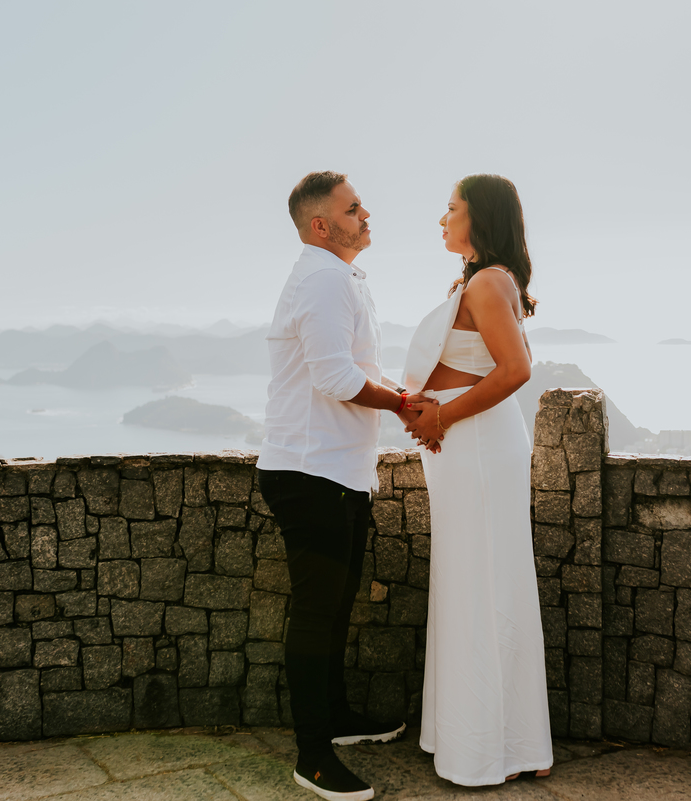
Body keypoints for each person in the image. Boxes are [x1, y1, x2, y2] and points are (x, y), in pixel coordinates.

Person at [257, 171, 421, 801]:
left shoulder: (339, 276)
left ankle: (338, 720)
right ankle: (313, 756)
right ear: (321, 224)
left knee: (336, 608)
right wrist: (407, 403)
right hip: (309, 471)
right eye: (354, 209)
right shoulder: (322, 278)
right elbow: (334, 377)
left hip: (336, 470)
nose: (366, 213)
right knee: (317, 613)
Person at [402, 174, 554, 786]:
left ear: (479, 217)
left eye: (451, 208)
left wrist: (440, 414)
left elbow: (516, 369)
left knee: (486, 584)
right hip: (462, 446)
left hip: (478, 446)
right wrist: (430, 413)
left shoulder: (490, 281)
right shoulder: (476, 280)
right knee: (470, 583)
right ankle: (481, 738)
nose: (441, 218)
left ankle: (501, 747)